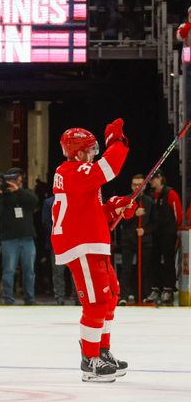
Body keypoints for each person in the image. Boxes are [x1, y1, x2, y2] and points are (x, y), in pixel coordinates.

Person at [51, 119, 131, 382]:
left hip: (93, 242)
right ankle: (90, 359)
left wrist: (115, 207)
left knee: (109, 298)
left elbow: (92, 212)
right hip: (82, 245)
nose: (93, 154)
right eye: (90, 150)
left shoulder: (80, 175)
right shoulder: (72, 171)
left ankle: (102, 351)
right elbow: (109, 168)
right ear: (77, 151)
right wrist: (116, 142)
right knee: (96, 303)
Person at [0, 168, 38, 305]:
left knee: (29, 270)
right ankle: (8, 298)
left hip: (27, 237)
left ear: (19, 180)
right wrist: (0, 194)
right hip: (9, 238)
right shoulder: (2, 196)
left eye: (14, 179)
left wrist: (17, 190)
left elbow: (34, 201)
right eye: (9, 179)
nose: (12, 182)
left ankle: (30, 298)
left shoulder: (25, 193)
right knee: (9, 270)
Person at [145, 170, 182, 305]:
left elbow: (178, 214)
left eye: (153, 179)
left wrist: (176, 232)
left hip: (168, 233)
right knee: (153, 261)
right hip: (155, 233)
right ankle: (156, 288)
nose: (151, 182)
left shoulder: (170, 193)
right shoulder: (151, 195)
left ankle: (168, 289)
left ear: (160, 178)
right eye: (150, 180)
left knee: (168, 261)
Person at [118, 174, 153, 304]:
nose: (137, 187)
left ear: (144, 186)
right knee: (126, 268)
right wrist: (134, 214)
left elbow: (155, 222)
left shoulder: (149, 201)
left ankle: (143, 295)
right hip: (128, 239)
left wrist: (145, 230)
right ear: (131, 186)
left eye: (140, 185)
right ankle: (124, 296)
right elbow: (120, 220)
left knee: (144, 268)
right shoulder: (126, 200)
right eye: (135, 185)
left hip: (144, 240)